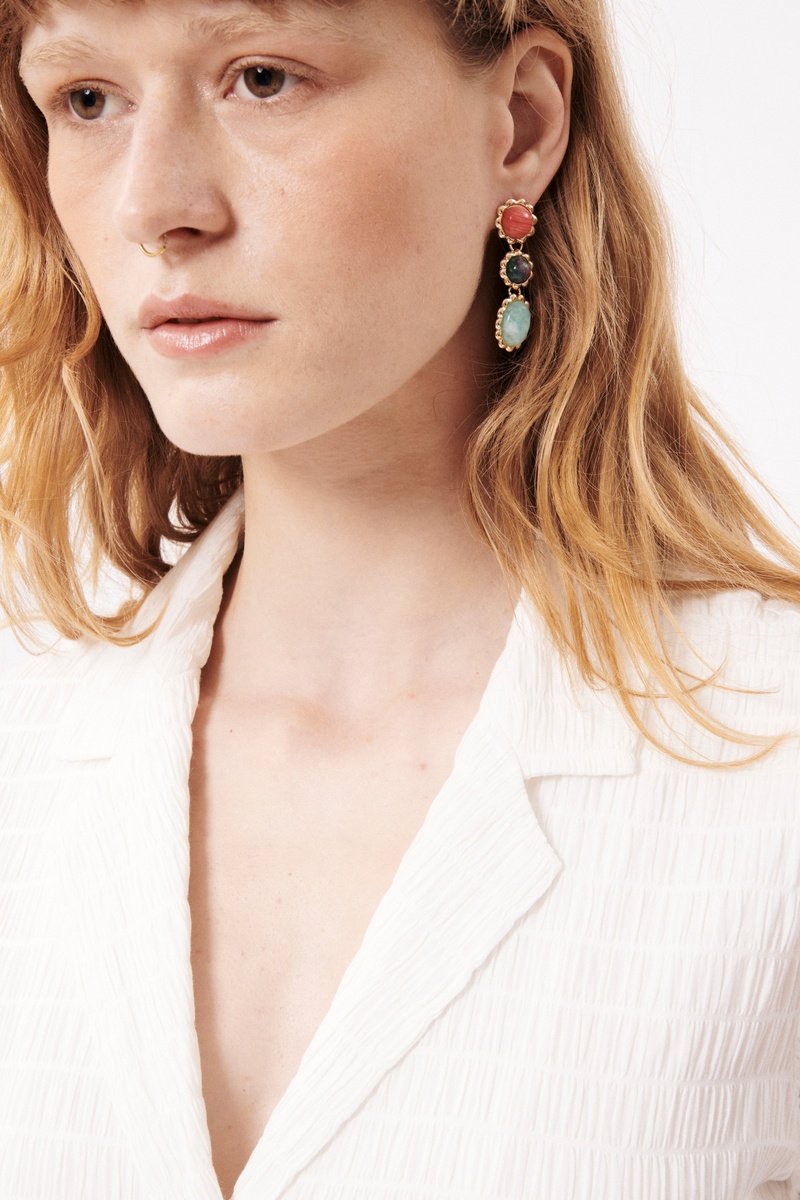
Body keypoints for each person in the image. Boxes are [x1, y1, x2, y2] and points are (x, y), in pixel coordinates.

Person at [0, 0, 798, 1197]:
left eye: (261, 77)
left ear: (519, 122)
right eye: (87, 100)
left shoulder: (769, 778)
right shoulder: (22, 752)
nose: (152, 207)